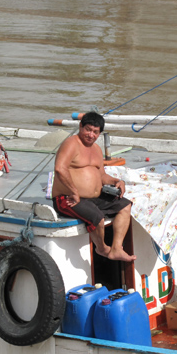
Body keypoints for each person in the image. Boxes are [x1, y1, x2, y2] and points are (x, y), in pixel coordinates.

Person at [52, 112, 136, 262]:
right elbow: (60, 168)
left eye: (95, 132)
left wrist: (117, 181)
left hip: (93, 198)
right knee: (98, 217)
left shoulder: (96, 149)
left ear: (99, 133)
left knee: (125, 205)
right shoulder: (71, 143)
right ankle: (102, 249)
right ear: (80, 127)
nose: (91, 135)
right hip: (68, 198)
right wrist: (74, 191)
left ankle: (117, 248)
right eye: (88, 130)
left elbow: (102, 175)